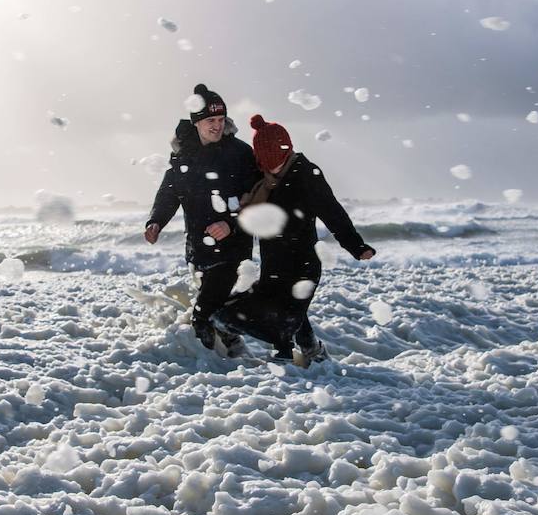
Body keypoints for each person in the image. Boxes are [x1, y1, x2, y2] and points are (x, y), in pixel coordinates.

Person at [212, 114, 375, 363]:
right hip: (273, 265)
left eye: (277, 161)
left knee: (285, 321)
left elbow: (332, 212)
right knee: (271, 314)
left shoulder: (306, 174)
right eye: (267, 163)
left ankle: (292, 371)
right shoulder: (262, 179)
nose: (273, 168)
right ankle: (312, 356)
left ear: (287, 149)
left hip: (303, 264)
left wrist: (356, 245)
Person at [145, 84, 261, 353]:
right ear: (196, 122)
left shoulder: (240, 154)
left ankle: (212, 370)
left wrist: (230, 224)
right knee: (215, 306)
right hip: (198, 246)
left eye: (221, 120)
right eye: (210, 120)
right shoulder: (183, 154)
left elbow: (256, 197)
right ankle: (232, 348)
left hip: (233, 248)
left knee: (202, 314)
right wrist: (156, 221)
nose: (217, 126)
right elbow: (169, 192)